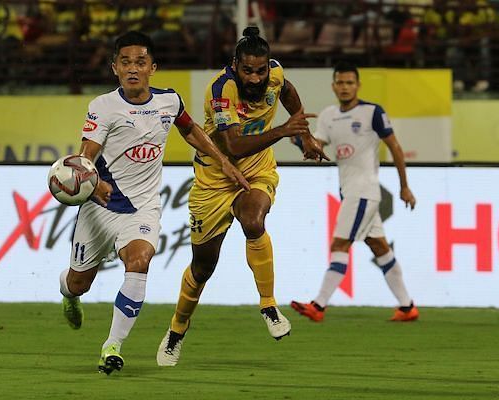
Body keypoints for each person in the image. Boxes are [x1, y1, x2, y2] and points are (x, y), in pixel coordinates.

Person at [58, 30, 249, 375]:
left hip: (143, 208)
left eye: (140, 62)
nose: (133, 68)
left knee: (140, 259)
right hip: (100, 207)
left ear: (153, 67)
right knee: (78, 282)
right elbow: (86, 154)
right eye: (126, 62)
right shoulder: (103, 106)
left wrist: (221, 159)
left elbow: (190, 129)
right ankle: (69, 295)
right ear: (114, 67)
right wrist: (94, 181)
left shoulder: (169, 102)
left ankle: (112, 346)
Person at [156, 26, 328, 367]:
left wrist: (305, 136)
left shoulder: (275, 75)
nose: (254, 77)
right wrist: (284, 131)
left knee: (253, 220)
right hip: (214, 179)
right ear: (235, 65)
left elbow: (289, 93)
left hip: (257, 171)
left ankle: (268, 305)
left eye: (260, 70)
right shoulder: (221, 91)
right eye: (247, 70)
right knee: (203, 267)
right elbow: (233, 145)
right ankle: (177, 329)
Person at [290, 61, 419, 323]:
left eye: (350, 82)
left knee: (340, 243)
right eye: (340, 82)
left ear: (358, 85)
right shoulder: (328, 116)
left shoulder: (372, 112)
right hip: (350, 191)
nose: (345, 87)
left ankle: (318, 305)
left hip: (364, 191)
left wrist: (404, 185)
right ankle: (407, 307)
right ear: (333, 85)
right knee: (379, 246)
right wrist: (296, 135)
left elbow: (394, 146)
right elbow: (316, 148)